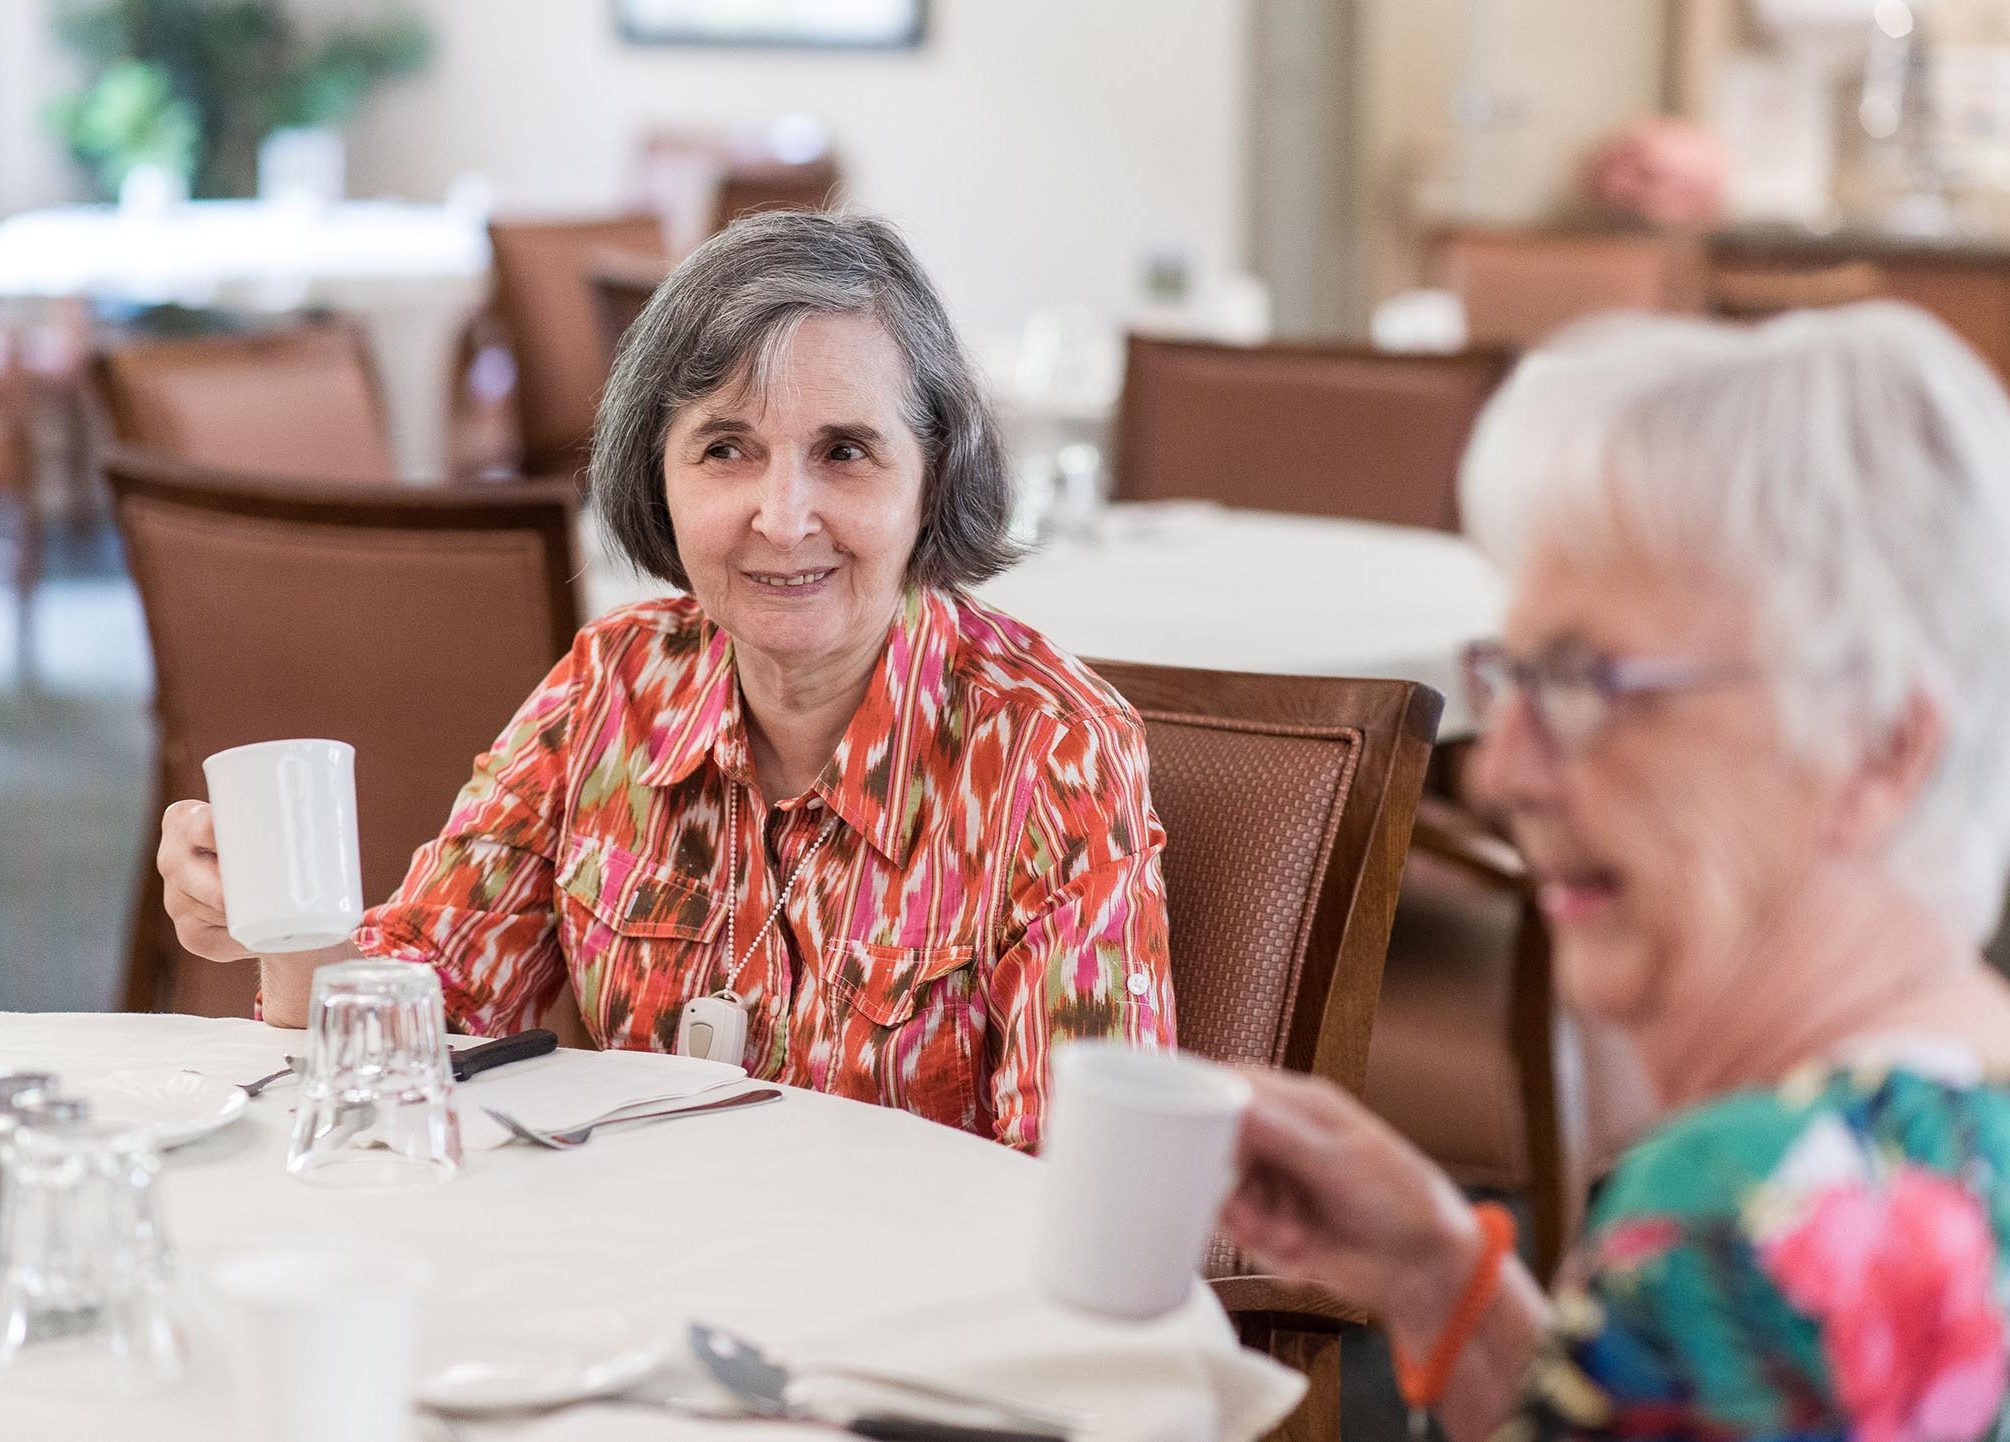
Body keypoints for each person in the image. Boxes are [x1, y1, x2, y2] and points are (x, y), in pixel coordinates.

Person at [157, 211, 1175, 1149]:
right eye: (726, 448)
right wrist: (282, 919)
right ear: (659, 474)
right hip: (628, 1300)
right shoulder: (612, 687)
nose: (782, 517)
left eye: (846, 452)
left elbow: (1085, 1180)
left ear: (933, 475)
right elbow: (406, 1042)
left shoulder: (1048, 751)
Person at [1221, 303, 2010, 1442]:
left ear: (1881, 741)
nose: (1501, 773)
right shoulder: (1952, 1128)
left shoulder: (1745, 1215)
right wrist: (1448, 1279)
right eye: (1519, 677)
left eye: (1591, 682)